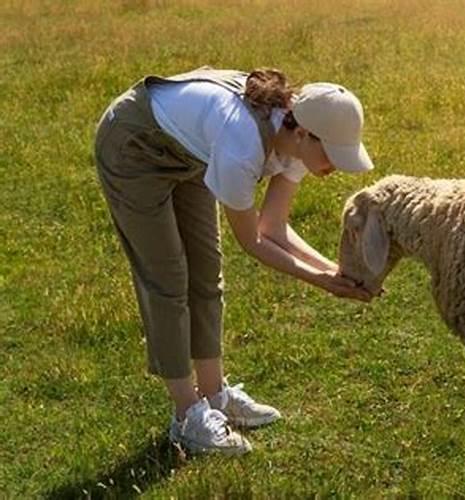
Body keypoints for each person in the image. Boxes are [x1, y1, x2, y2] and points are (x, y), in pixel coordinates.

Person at [93, 66, 373, 455]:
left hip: (189, 153)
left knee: (207, 272)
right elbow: (254, 240)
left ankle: (215, 396)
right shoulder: (242, 143)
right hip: (133, 146)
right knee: (169, 280)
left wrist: (335, 271)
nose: (334, 167)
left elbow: (274, 226)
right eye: (331, 155)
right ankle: (186, 415)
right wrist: (322, 281)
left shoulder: (295, 140)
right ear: (305, 134)